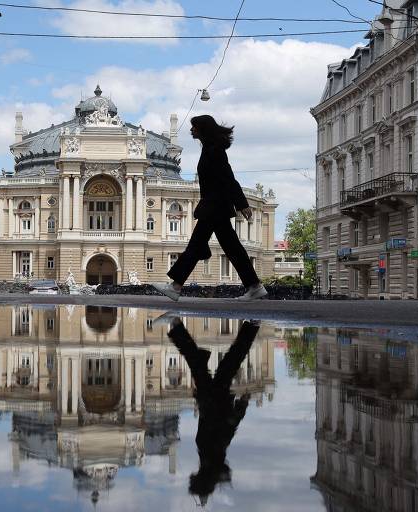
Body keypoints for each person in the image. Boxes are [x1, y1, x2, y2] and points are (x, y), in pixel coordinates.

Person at [152, 115, 267, 302]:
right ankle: (254, 286)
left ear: (202, 129)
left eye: (194, 127)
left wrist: (242, 203)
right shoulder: (210, 149)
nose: (191, 130)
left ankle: (176, 286)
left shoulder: (214, 150)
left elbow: (228, 177)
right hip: (215, 206)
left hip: (215, 206)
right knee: (227, 247)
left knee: (202, 246)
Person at [160, 314, 260, 506]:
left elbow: (229, 427)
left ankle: (251, 327)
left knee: (229, 359)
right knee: (223, 360)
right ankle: (179, 329)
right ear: (201, 476)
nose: (192, 474)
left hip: (214, 400)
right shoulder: (211, 452)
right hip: (213, 399)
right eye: (195, 477)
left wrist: (241, 405)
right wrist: (243, 404)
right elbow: (230, 426)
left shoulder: (212, 456)